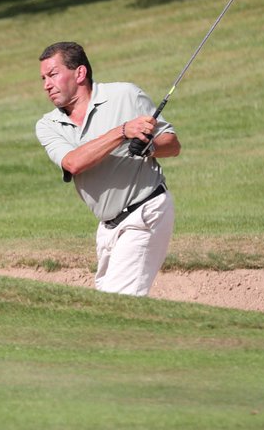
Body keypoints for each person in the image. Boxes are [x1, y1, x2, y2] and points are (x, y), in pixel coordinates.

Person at [34, 41, 180, 296]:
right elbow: (73, 163)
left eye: (53, 74)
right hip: (107, 227)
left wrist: (150, 147)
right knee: (108, 305)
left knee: (120, 302)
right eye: (44, 78)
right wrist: (123, 132)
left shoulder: (126, 95)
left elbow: (172, 144)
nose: (47, 84)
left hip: (145, 211)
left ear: (80, 73)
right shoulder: (48, 125)